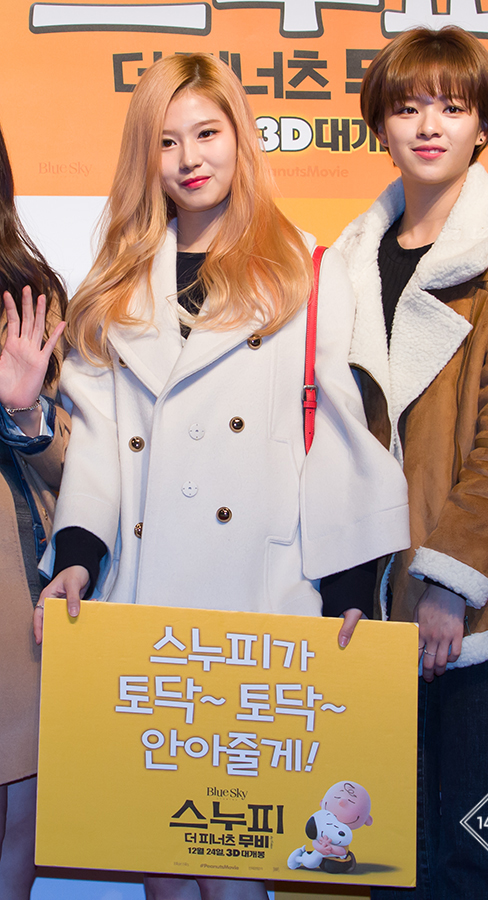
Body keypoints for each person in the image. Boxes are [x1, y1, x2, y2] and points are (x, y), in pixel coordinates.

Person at [35, 52, 409, 900]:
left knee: (241, 866)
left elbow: (338, 435)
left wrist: (351, 586)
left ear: (241, 137)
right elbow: (98, 443)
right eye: (166, 141)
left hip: (260, 603)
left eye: (206, 133)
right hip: (147, 606)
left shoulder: (308, 269)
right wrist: (79, 557)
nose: (189, 158)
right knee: (160, 860)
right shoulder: (115, 285)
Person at [334, 26, 488, 900]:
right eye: (408, 107)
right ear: (380, 125)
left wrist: (448, 581)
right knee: (390, 856)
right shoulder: (348, 262)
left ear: (483, 125)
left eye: (451, 106)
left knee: (485, 860)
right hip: (381, 602)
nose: (429, 125)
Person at [0, 123, 68, 899]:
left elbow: (82, 468)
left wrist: (23, 413)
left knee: (15, 828)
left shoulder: (26, 293)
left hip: (11, 599)